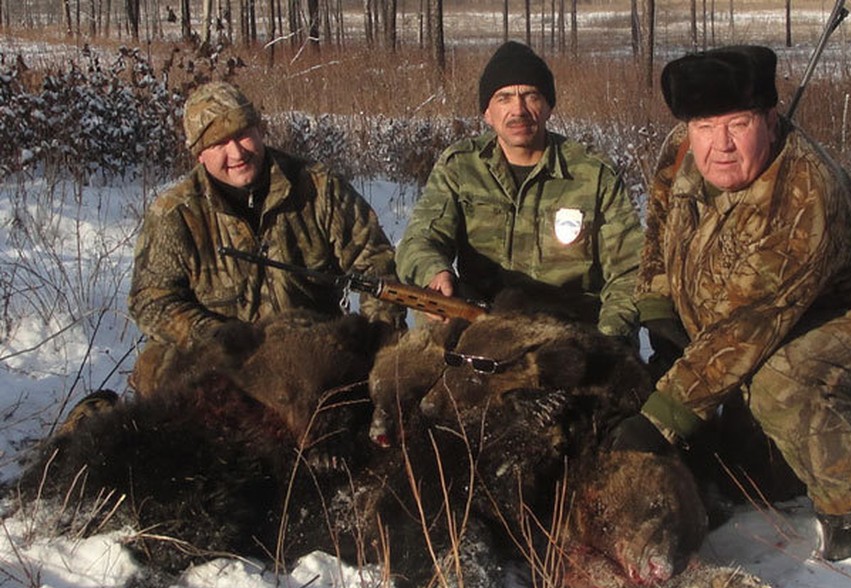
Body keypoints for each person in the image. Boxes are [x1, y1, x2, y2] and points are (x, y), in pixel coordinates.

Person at [615, 45, 851, 561]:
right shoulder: (680, 149)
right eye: (705, 127)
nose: (721, 145)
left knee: (779, 386)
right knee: (752, 473)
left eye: (738, 125)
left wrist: (658, 420)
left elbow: (748, 325)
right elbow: (659, 225)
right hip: (770, 316)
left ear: (769, 117)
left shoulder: (805, 194)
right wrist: (658, 306)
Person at [127, 81, 405, 395]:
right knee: (155, 370)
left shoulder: (319, 188)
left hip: (310, 361)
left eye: (243, 133)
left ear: (260, 130)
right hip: (225, 365)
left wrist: (378, 347)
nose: (237, 152)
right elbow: (151, 299)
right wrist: (215, 336)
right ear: (200, 155)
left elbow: (377, 265)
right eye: (220, 142)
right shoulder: (176, 213)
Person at [395, 41, 642, 341]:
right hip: (480, 332)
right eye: (504, 98)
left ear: (548, 106)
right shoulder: (460, 167)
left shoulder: (593, 174)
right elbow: (421, 239)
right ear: (487, 112)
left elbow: (630, 272)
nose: (518, 110)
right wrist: (434, 272)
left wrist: (607, 341)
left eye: (530, 96)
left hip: (569, 339)